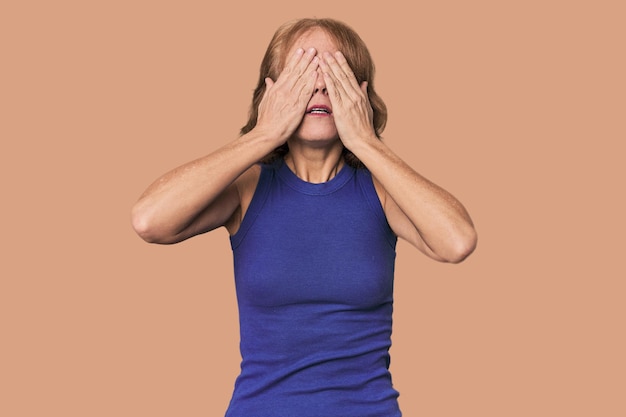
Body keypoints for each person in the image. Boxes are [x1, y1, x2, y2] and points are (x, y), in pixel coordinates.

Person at [131, 17, 477, 417]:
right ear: (272, 93)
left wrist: (365, 141)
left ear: (359, 91)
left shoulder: (380, 192)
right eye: (303, 70)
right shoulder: (247, 188)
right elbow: (148, 220)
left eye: (334, 71)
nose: (319, 85)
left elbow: (457, 242)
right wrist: (263, 134)